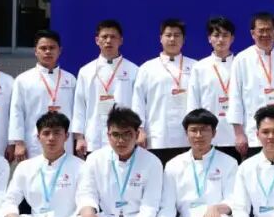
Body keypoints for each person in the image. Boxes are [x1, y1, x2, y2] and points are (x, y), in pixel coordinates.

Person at [229, 13, 274, 159]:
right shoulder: (242, 59)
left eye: (269, 30)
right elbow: (235, 97)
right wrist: (239, 133)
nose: (265, 34)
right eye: (261, 30)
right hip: (253, 135)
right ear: (253, 33)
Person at [132, 19, 197, 165]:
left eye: (177, 35)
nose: (172, 39)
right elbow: (138, 102)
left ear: (184, 39)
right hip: (157, 136)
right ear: (160, 38)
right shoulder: (147, 68)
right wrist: (139, 129)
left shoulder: (195, 67)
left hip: (189, 137)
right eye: (168, 35)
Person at [71, 20, 138, 157]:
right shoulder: (86, 71)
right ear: (97, 40)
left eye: (113, 37)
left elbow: (138, 106)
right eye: (104, 37)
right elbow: (79, 106)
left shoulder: (134, 70)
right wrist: (79, 138)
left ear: (121, 40)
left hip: (124, 137)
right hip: (93, 137)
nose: (108, 41)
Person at [9, 29, 76, 162]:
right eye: (43, 48)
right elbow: (17, 112)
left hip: (64, 140)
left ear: (60, 50)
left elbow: (77, 112)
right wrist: (18, 142)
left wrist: (77, 139)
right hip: (34, 140)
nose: (48, 51)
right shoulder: (23, 79)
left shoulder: (70, 79)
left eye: (52, 48)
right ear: (36, 51)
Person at [186, 16, 239, 161]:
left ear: (232, 38)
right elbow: (193, 103)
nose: (220, 40)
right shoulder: (200, 67)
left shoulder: (241, 64)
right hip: (208, 136)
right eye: (216, 35)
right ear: (209, 38)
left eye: (225, 35)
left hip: (237, 136)